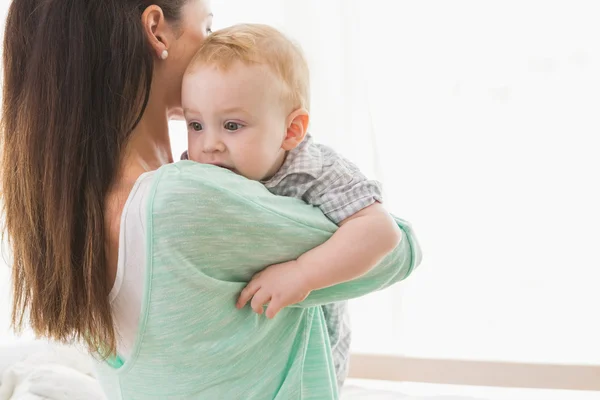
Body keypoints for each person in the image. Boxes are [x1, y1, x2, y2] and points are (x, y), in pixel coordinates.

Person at [1, 1, 422, 399]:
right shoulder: (183, 199)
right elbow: (398, 250)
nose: (213, 44)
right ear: (156, 31)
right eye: (206, 26)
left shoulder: (64, 204)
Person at [179, 23, 402, 388]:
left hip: (309, 350)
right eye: (196, 124)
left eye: (232, 125)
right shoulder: (196, 170)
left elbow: (381, 231)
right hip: (240, 346)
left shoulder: (313, 170)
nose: (209, 144)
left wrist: (303, 273)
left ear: (291, 130)